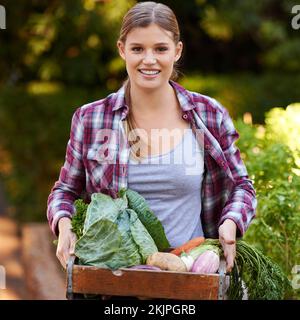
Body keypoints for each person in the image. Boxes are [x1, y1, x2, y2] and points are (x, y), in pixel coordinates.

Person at [47, 1, 257, 274]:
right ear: (122, 50)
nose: (149, 60)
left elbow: (243, 185)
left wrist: (230, 223)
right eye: (137, 49)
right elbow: (65, 191)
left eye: (160, 49)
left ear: (177, 51)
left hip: (190, 272)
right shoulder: (92, 119)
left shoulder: (208, 114)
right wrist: (64, 225)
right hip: (113, 278)